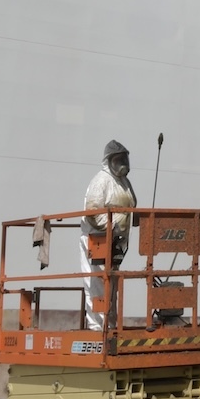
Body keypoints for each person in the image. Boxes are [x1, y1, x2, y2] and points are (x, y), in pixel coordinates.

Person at [82, 140, 137, 330]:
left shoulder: (124, 183)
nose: (122, 163)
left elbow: (132, 206)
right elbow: (93, 213)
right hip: (96, 240)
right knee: (97, 282)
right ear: (109, 161)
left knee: (112, 284)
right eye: (118, 159)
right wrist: (112, 227)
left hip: (116, 242)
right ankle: (96, 327)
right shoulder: (101, 181)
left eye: (124, 159)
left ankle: (110, 325)